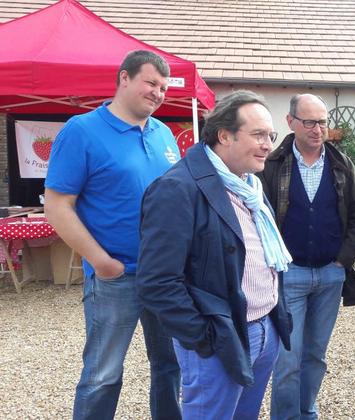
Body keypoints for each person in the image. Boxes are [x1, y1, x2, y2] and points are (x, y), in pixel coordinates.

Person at [136, 90, 293, 419]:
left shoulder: (249, 184)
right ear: (224, 135)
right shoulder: (177, 188)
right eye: (258, 135)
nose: (268, 144)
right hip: (221, 338)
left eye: (271, 135)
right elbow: (157, 282)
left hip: (265, 328)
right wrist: (204, 338)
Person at [44, 50, 181, 420]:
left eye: (164, 87)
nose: (158, 93)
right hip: (116, 277)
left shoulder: (163, 133)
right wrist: (102, 263)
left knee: (171, 367)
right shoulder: (82, 130)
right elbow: (57, 206)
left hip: (165, 274)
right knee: (103, 375)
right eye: (151, 82)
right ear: (124, 78)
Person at [259, 93, 355, 419]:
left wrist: (344, 259)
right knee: (286, 358)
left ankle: (306, 411)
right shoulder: (273, 165)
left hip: (330, 275)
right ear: (291, 122)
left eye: (322, 121)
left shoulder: (341, 165)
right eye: (309, 121)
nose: (317, 129)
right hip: (288, 274)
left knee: (315, 356)